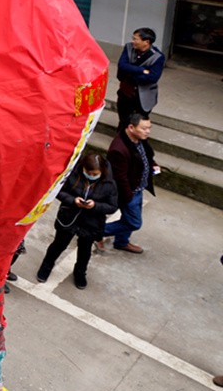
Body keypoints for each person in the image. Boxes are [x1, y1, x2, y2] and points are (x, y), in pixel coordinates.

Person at [36, 152, 118, 289]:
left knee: (85, 251)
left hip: (91, 222)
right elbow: (59, 191)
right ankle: (46, 266)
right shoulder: (72, 175)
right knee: (58, 245)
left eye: (95, 174)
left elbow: (112, 206)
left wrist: (95, 206)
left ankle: (80, 273)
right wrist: (73, 200)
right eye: (89, 173)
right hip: (69, 218)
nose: (91, 176)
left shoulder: (109, 184)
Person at [101, 113, 157, 254]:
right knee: (134, 222)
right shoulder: (118, 149)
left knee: (128, 219)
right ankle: (95, 231)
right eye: (144, 129)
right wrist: (129, 197)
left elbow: (147, 155)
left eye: (149, 128)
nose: (148, 132)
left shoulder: (139, 139)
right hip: (129, 192)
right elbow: (120, 178)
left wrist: (153, 165)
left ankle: (121, 242)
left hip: (138, 188)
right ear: (131, 127)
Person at [115, 27, 165, 132]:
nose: (133, 41)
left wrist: (131, 75)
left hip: (143, 96)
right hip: (126, 92)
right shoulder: (128, 47)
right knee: (123, 121)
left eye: (136, 39)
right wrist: (142, 70)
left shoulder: (158, 57)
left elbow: (152, 77)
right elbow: (122, 65)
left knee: (139, 123)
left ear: (146, 42)